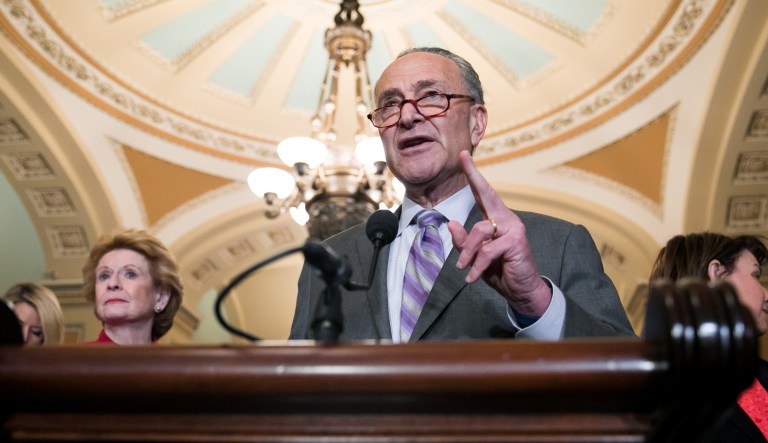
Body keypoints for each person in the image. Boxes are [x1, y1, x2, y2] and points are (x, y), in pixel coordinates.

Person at [290, 47, 634, 341]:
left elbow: (628, 378)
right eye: (390, 105)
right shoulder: (329, 259)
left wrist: (535, 300)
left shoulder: (557, 243)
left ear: (476, 123)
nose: (407, 116)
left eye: (431, 97)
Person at [649, 232, 768, 442]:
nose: (766, 295)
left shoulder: (760, 372)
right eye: (755, 275)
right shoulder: (662, 394)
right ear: (717, 272)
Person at [81, 229, 183, 345]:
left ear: (161, 297)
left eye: (130, 274)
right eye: (104, 276)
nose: (112, 284)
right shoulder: (66, 361)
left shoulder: (177, 363)